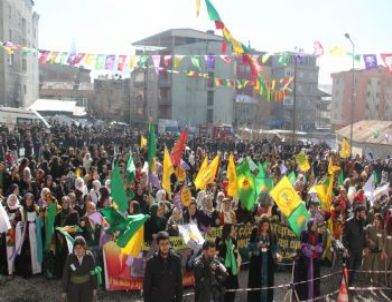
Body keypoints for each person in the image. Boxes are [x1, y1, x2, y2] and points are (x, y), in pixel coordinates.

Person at [143, 231, 183, 302]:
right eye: (162, 244)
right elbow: (146, 287)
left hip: (171, 299)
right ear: (158, 245)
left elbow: (179, 284)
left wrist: (179, 300)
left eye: (167, 243)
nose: (165, 247)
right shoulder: (151, 262)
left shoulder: (176, 260)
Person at [247, 217, 278, 302]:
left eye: (267, 225)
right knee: (257, 281)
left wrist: (277, 255)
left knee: (267, 281)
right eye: (264, 225)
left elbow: (275, 248)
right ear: (260, 225)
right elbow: (249, 246)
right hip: (257, 260)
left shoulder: (272, 234)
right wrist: (257, 245)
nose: (265, 227)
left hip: (268, 260)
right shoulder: (255, 232)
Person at [294, 219, 323, 301]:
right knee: (305, 281)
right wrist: (310, 250)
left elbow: (320, 247)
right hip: (305, 262)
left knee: (315, 280)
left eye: (316, 225)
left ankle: (314, 298)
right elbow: (303, 247)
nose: (315, 226)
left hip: (315, 261)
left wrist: (315, 249)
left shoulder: (319, 234)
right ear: (309, 225)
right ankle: (305, 297)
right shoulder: (304, 233)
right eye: (314, 225)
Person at [62, 236, 97, 302]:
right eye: (76, 248)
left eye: (80, 248)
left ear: (84, 248)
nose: (78, 250)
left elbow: (93, 272)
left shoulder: (89, 256)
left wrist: (94, 287)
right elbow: (66, 273)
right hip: (73, 288)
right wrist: (64, 290)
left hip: (86, 287)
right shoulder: (70, 257)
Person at [343, 205, 367, 285]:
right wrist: (346, 249)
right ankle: (345, 284)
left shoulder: (363, 221)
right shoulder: (349, 222)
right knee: (349, 268)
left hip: (359, 250)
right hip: (351, 250)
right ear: (357, 213)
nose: (364, 214)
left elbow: (363, 235)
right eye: (363, 212)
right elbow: (345, 237)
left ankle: (350, 283)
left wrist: (365, 247)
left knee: (355, 268)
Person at [216, 224, 240, 302]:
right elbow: (217, 255)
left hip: (232, 268)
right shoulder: (219, 240)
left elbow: (236, 253)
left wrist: (238, 265)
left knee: (232, 291)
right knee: (223, 292)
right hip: (223, 268)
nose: (234, 231)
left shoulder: (234, 240)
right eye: (232, 229)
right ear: (227, 230)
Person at [363, 213, 384, 286]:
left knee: (376, 269)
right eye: (375, 219)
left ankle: (375, 282)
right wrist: (369, 241)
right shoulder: (369, 227)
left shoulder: (382, 230)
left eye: (378, 219)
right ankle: (365, 281)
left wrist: (382, 252)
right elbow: (364, 236)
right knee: (366, 267)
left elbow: (383, 242)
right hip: (369, 251)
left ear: (381, 221)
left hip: (377, 253)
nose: (376, 220)